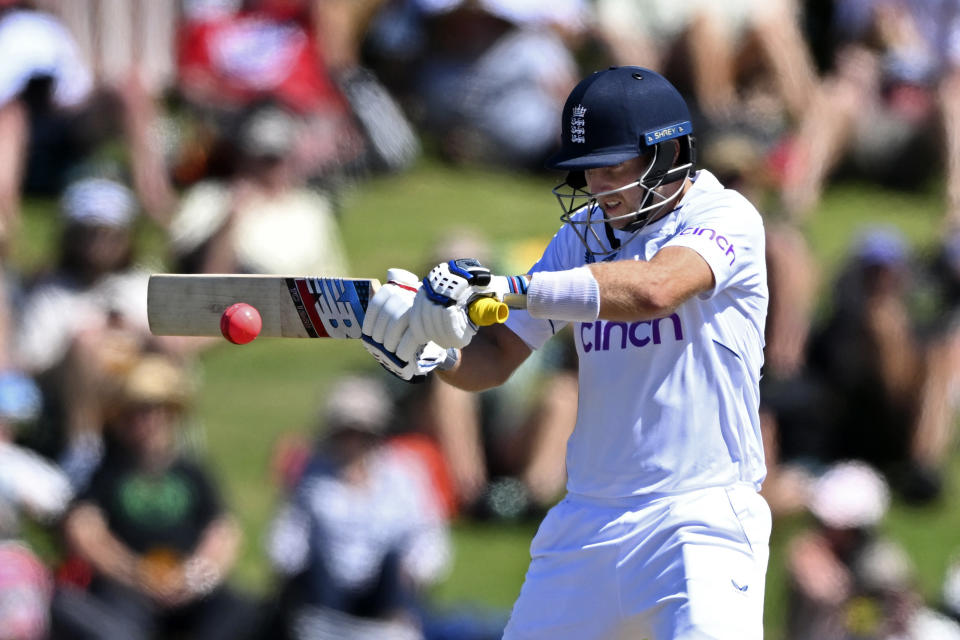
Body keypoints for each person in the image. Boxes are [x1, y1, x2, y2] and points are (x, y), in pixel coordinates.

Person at [360, 66, 771, 638]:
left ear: (670, 150)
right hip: (588, 522)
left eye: (613, 167)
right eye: (588, 171)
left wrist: (508, 288)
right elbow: (497, 354)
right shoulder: (580, 235)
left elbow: (656, 289)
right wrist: (432, 355)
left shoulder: (725, 216)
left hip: (698, 518)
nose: (599, 187)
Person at [54, 352, 259, 640]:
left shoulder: (190, 470)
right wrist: (135, 573)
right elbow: (84, 530)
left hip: (190, 586)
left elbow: (222, 530)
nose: (145, 420)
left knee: (243, 609)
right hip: (125, 589)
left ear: (170, 413)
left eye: (152, 410)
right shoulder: (105, 470)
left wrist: (197, 576)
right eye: (134, 411)